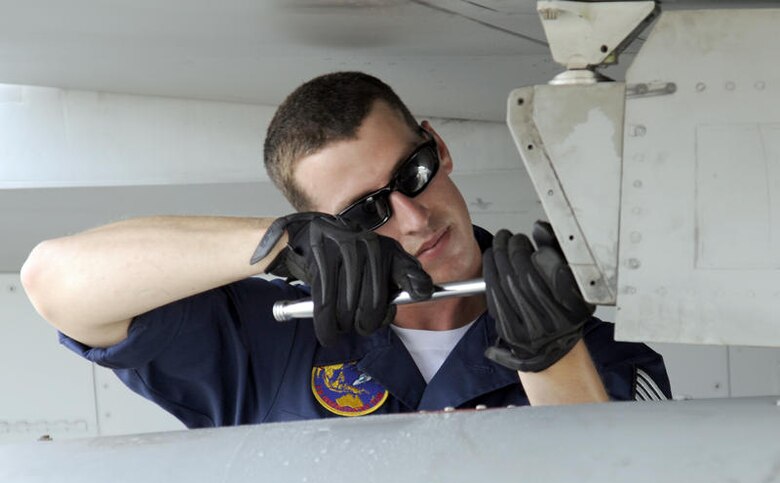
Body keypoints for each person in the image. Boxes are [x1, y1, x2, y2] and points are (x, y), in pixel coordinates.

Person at [21, 72, 670, 427]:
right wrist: (277, 244)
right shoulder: (270, 342)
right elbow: (53, 279)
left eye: (414, 173)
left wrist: (552, 359)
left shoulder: (600, 352)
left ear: (439, 147)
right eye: (365, 211)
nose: (414, 218)